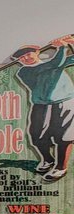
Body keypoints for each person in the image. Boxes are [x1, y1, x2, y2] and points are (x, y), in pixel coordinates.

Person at [12, 35, 74, 182]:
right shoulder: (24, 72)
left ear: (38, 52)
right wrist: (61, 47)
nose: (25, 58)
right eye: (21, 57)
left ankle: (60, 167)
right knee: (36, 136)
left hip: (65, 102)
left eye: (28, 53)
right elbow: (52, 65)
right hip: (41, 105)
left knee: (64, 137)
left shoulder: (56, 61)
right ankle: (48, 159)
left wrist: (70, 44)